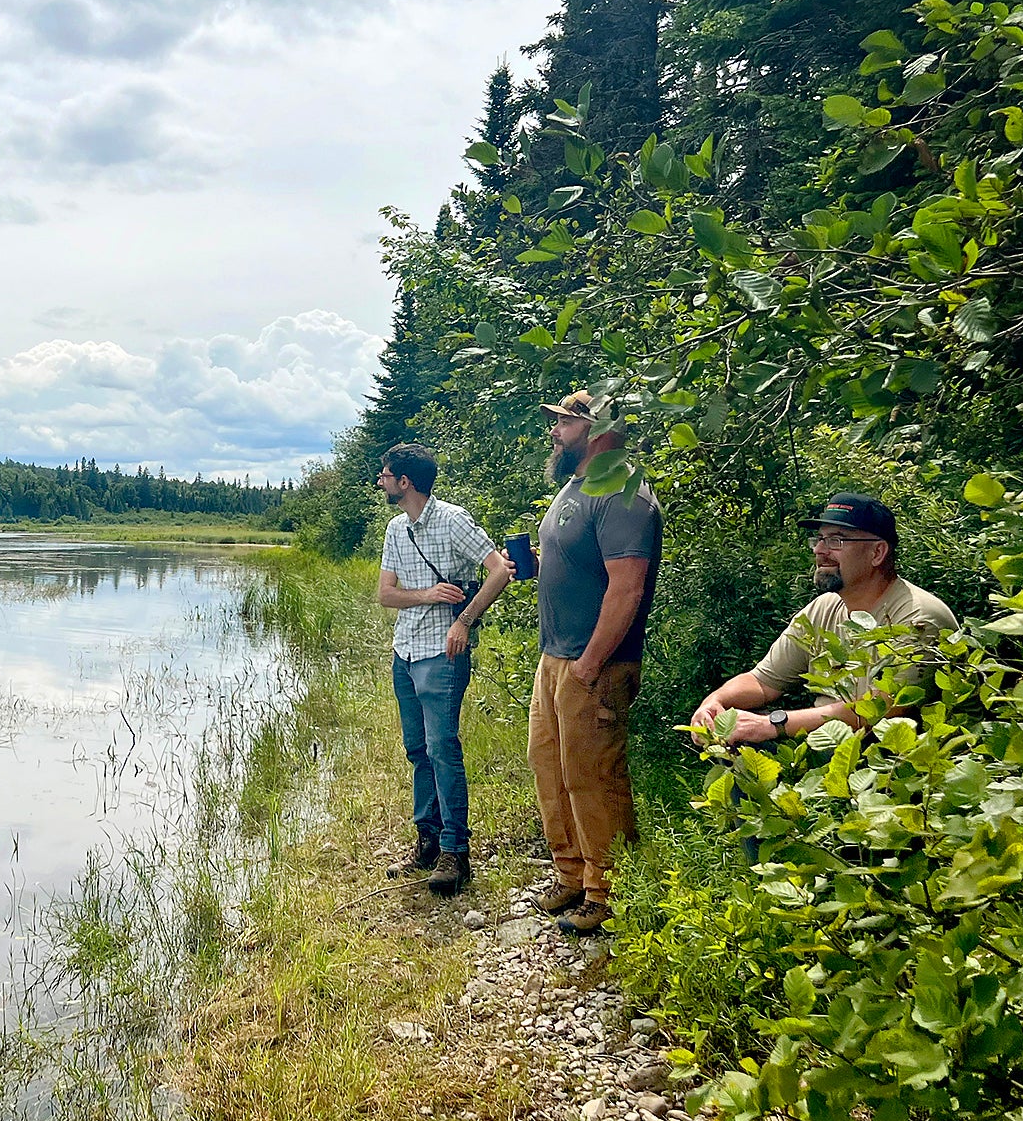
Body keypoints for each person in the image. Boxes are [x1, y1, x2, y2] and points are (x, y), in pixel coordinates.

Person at [529, 392, 663, 936]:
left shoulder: (625, 492)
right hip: (555, 656)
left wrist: (589, 664)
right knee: (550, 765)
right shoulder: (574, 487)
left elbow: (627, 587)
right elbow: (582, 563)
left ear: (597, 428)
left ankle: (609, 890)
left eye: (564, 421)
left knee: (593, 775)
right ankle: (572, 873)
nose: (556, 431)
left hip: (596, 663)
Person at [691, 492, 957, 744]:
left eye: (836, 540)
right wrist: (715, 702)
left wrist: (773, 725)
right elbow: (762, 682)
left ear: (877, 553)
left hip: (901, 766)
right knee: (737, 740)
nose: (819, 549)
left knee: (753, 736)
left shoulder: (918, 617)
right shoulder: (824, 609)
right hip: (834, 751)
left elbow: (881, 710)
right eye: (819, 539)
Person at [376, 443, 513, 897]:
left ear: (405, 482)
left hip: (443, 653)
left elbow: (499, 570)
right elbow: (386, 595)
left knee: (442, 749)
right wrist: (428, 595)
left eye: (386, 474)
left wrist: (463, 620)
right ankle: (429, 842)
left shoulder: (453, 520)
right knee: (417, 750)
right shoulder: (397, 528)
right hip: (406, 652)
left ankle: (456, 852)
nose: (381, 480)